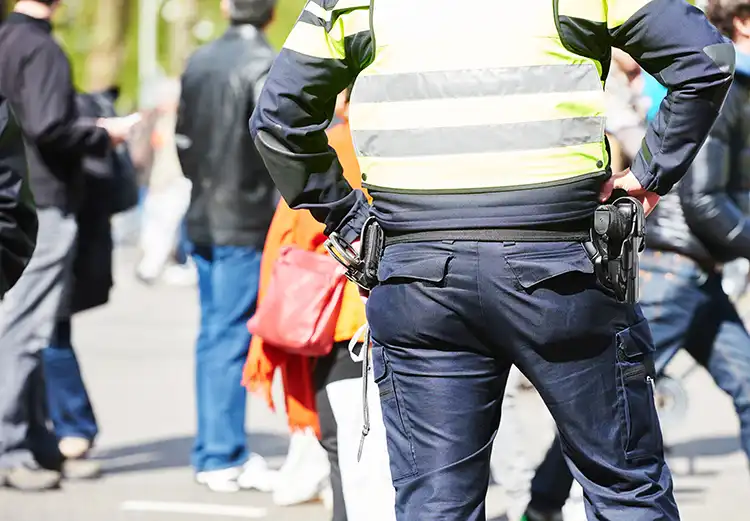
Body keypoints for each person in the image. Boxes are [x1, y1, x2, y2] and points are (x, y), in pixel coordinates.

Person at [250, 0, 735, 519]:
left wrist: (350, 223)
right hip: (563, 266)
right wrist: (646, 177)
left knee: (436, 505)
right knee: (624, 489)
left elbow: (279, 118)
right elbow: (706, 59)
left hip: (418, 273)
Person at [520, 1, 750, 519]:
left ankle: (540, 503)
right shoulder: (726, 88)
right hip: (675, 270)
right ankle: (540, 505)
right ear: (744, 22)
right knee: (605, 415)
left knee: (742, 388)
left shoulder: (739, 86)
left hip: (698, 273)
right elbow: (704, 201)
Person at [0, 0, 135, 491]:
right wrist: (104, 134)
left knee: (32, 328)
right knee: (25, 330)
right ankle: (12, 449)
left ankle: (36, 443)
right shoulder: (40, 48)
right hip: (44, 200)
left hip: (15, 193)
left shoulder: (8, 40)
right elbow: (48, 127)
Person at [244, 87, 395, 521]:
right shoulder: (417, 152)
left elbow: (287, 240)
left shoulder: (336, 148)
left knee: (344, 444)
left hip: (343, 321)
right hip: (415, 306)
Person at [175, 0, 279, 493]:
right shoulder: (268, 64)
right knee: (228, 336)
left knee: (215, 333)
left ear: (224, 8)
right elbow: (277, 142)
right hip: (244, 219)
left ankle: (217, 449)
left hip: (202, 214)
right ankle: (220, 454)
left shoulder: (199, 60)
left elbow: (183, 141)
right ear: (271, 14)